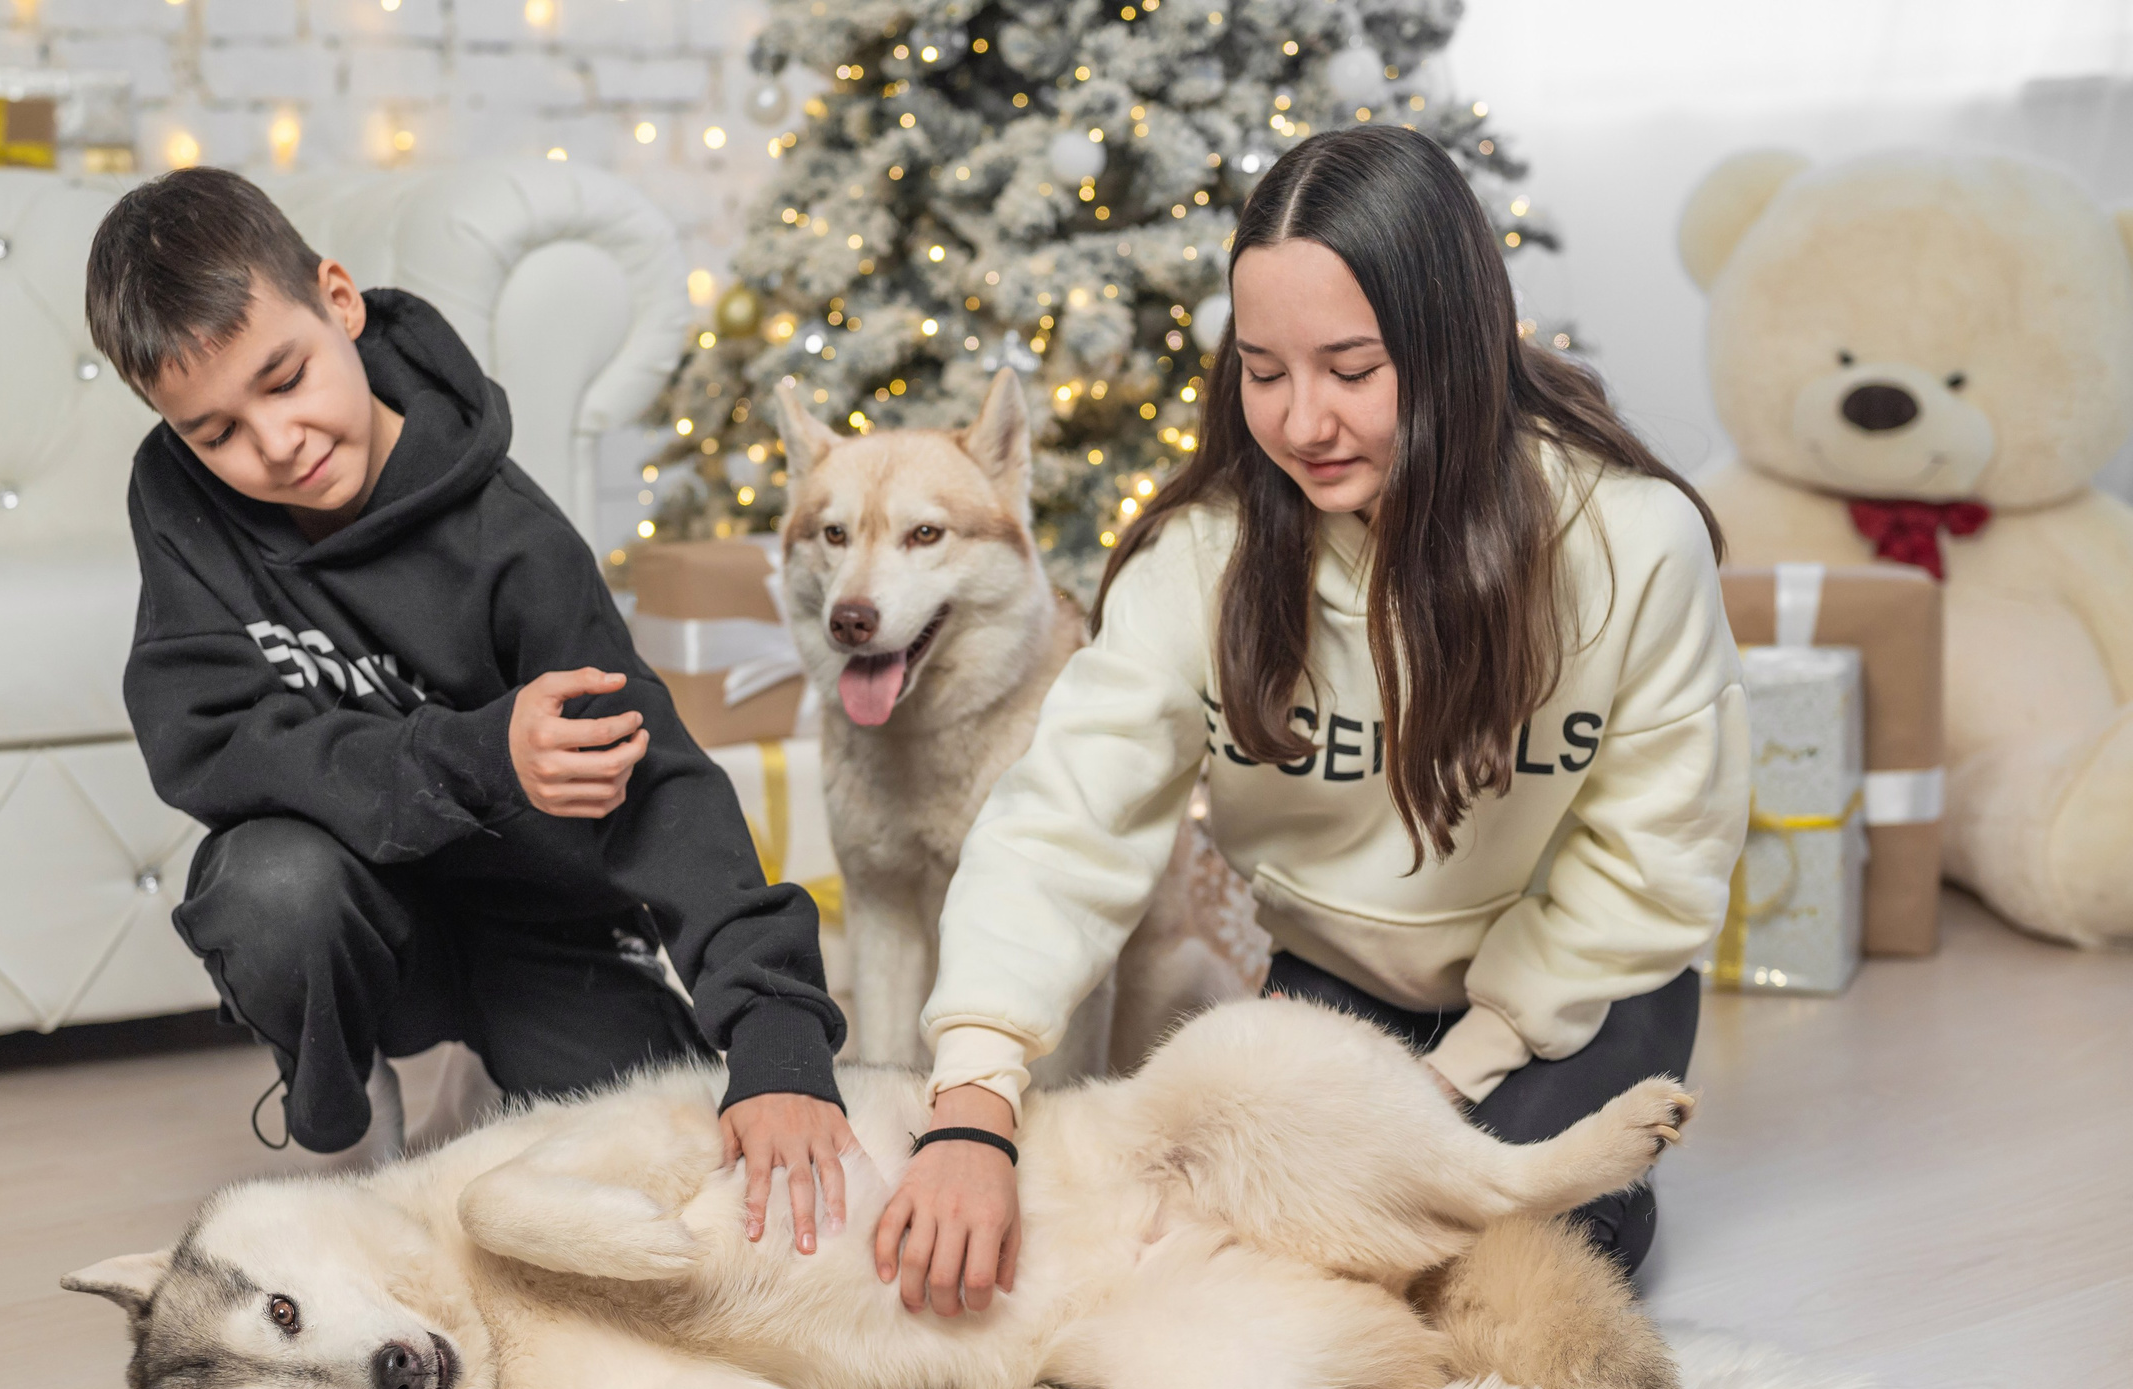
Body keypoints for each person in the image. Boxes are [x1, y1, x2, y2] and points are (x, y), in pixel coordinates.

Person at [879, 127, 1749, 1314]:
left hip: (1571, 997)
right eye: (1265, 369)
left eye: (1352, 369)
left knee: (1484, 1250)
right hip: (1342, 988)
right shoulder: (1205, 558)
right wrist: (971, 1103)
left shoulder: (1634, 543)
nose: (1300, 423)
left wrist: (1445, 1086)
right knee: (1246, 1246)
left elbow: (1653, 861)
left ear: (1454, 346)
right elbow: (1061, 826)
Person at [87, 168, 855, 1254]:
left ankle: (484, 1063)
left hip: (534, 915)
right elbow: (203, 737)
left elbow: (664, 783)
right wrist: (482, 753)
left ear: (339, 301)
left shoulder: (515, 540)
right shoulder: (178, 498)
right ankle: (349, 1106)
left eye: (286, 376)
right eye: (216, 431)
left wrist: (778, 1039)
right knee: (269, 887)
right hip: (359, 901)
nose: (273, 442)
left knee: (670, 1154)